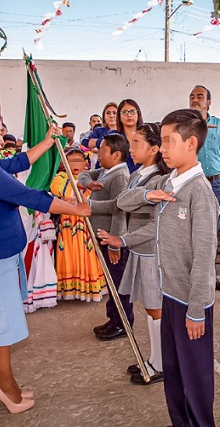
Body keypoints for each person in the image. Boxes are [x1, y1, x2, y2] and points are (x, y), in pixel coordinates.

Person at [0, 105, 90, 414]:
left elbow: (16, 162)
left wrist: (47, 141)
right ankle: (5, 388)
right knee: (0, 327)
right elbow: (29, 196)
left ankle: (4, 383)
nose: (2, 137)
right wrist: (75, 208)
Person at [101, 108, 219, 427]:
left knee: (195, 379)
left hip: (190, 302)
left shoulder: (200, 193)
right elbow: (125, 202)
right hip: (170, 295)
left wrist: (196, 309)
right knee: (176, 375)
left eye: (168, 141)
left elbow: (204, 259)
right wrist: (147, 194)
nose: (162, 149)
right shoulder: (168, 181)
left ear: (191, 143)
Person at [98, 122, 169, 385]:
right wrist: (87, 205)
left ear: (154, 149)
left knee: (156, 308)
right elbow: (119, 203)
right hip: (139, 250)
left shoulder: (160, 180)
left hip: (150, 250)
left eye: (137, 142)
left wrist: (122, 239)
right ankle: (154, 358)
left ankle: (160, 364)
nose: (132, 146)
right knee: (150, 308)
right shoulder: (137, 174)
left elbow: (155, 226)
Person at [78, 133, 132, 341]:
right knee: (111, 281)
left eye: (102, 150)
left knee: (118, 282)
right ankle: (114, 318)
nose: (98, 153)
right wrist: (89, 184)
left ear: (116, 154)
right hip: (103, 235)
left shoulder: (119, 176)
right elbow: (84, 175)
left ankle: (123, 323)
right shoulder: (107, 171)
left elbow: (119, 209)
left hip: (112, 238)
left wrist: (115, 242)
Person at [190, 85, 220, 291]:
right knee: (192, 231)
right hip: (193, 184)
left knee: (211, 231)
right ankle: (193, 277)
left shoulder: (218, 125)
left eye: (200, 96)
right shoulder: (185, 125)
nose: (195, 100)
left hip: (215, 183)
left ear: (209, 102)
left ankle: (210, 276)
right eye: (192, 97)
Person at [51, 148, 106, 302]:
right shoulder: (59, 177)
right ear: (65, 163)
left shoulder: (90, 176)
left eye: (79, 160)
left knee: (88, 253)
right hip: (68, 223)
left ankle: (90, 288)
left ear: (85, 163)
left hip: (87, 223)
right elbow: (63, 190)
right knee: (68, 253)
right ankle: (71, 288)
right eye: (71, 161)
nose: (75, 164)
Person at [81, 102, 119, 167]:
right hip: (101, 166)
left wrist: (100, 145)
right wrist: (101, 142)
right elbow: (85, 142)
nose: (111, 116)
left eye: (114, 113)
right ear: (104, 117)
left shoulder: (123, 131)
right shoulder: (99, 130)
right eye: (108, 113)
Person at [115, 99, 144, 173]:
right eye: (124, 112)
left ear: (138, 114)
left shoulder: (147, 135)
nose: (129, 115)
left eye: (132, 111)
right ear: (119, 116)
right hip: (121, 179)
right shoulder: (114, 137)